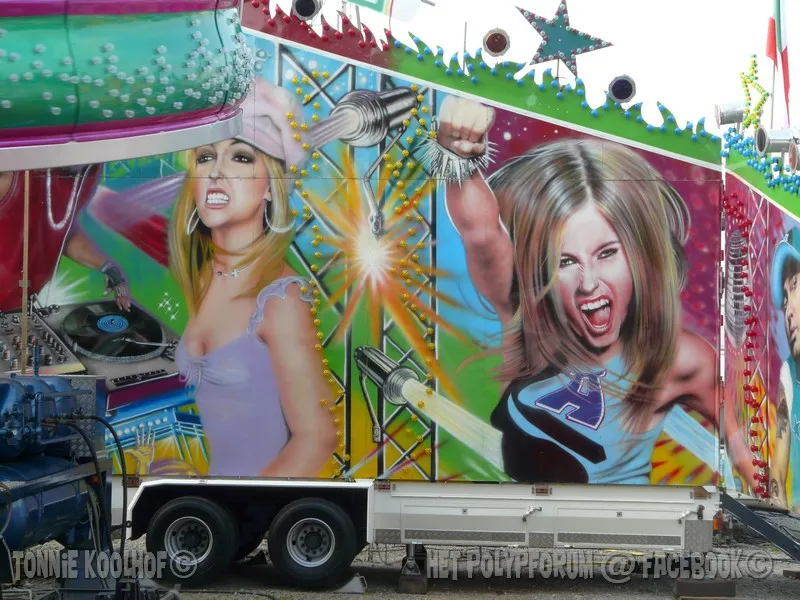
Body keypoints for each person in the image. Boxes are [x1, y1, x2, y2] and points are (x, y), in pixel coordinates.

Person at [428, 96, 758, 487]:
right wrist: (459, 159)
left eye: (607, 254)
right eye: (564, 261)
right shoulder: (530, 326)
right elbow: (482, 233)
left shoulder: (681, 359)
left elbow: (740, 445)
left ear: (640, 255)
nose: (588, 282)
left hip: (626, 515)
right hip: (531, 512)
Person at [167, 77, 338, 478]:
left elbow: (318, 438)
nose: (216, 172)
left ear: (270, 188)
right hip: (205, 502)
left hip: (248, 505)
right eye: (205, 157)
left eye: (241, 158)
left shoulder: (280, 299)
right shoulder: (204, 277)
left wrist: (243, 504)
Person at [0, 167, 131, 313]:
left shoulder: (87, 171)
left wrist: (109, 268)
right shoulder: (11, 170)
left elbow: (62, 232)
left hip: (18, 308)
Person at [769, 227, 800, 511]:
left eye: (795, 285)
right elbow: (777, 472)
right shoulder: (789, 375)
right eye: (785, 298)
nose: (788, 311)